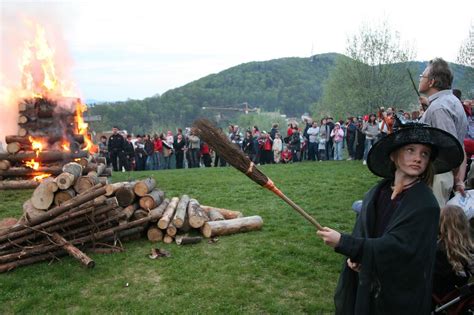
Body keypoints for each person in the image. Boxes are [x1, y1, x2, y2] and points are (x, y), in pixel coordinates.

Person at [317, 123, 464, 314]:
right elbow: (366, 232)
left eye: (424, 153)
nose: (418, 158)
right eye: (410, 150)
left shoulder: (425, 204)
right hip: (369, 285)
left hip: (398, 297)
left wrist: (345, 243)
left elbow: (397, 249)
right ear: (393, 155)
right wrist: (356, 258)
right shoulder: (377, 193)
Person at [418, 57, 468, 206]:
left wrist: (456, 178)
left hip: (438, 175)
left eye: (423, 76)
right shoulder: (451, 101)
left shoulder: (439, 108)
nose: (420, 79)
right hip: (444, 174)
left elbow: (450, 148)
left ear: (431, 81)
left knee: (434, 222)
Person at [433, 205, 474, 299]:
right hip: (462, 299)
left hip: (450, 301)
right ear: (464, 223)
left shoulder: (436, 251)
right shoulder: (469, 247)